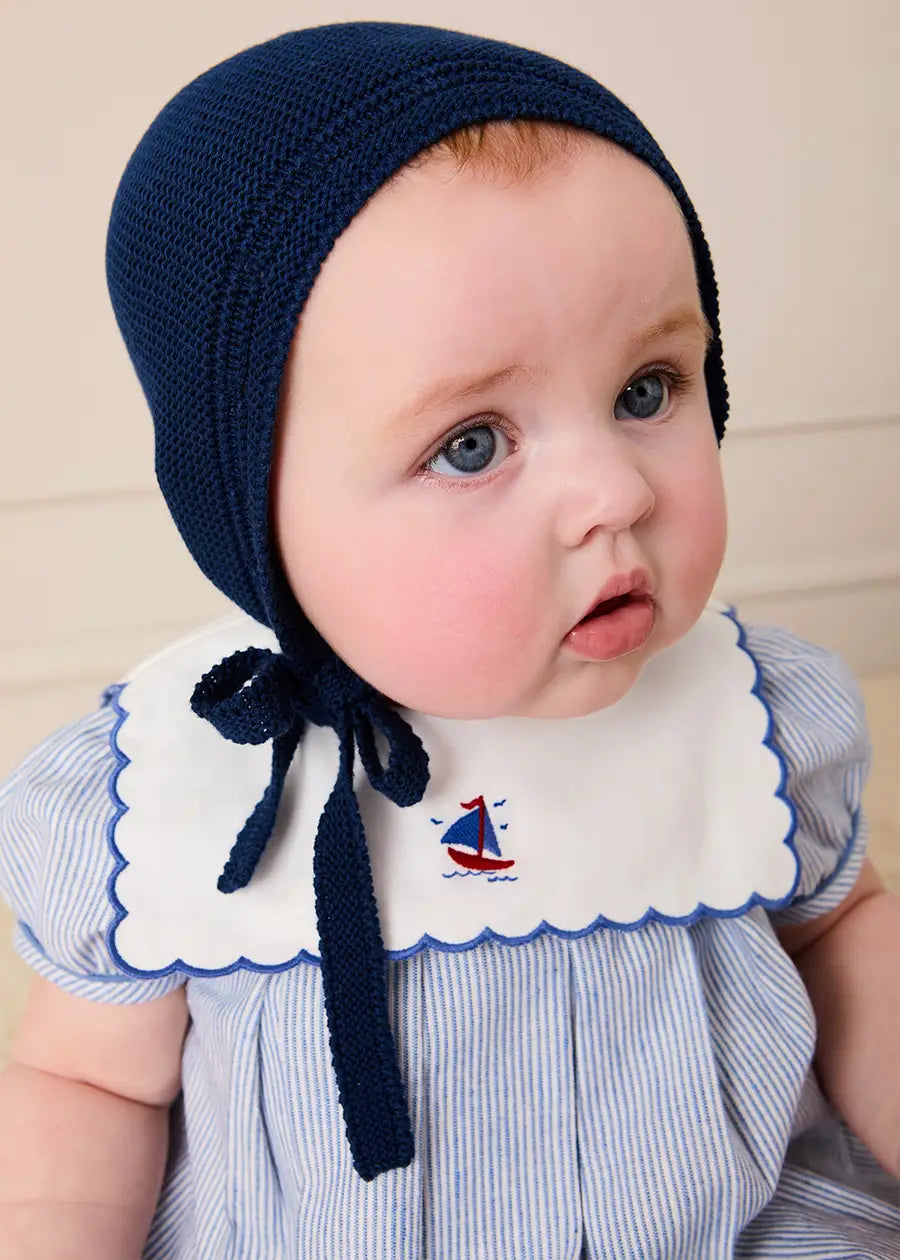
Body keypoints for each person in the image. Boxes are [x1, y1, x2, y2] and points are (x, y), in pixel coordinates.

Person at [0, 20, 898, 1260]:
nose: (616, 494)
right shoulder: (170, 797)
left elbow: (848, 949)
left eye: (649, 390)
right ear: (257, 513)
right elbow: (87, 1088)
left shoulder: (750, 723)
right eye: (471, 444)